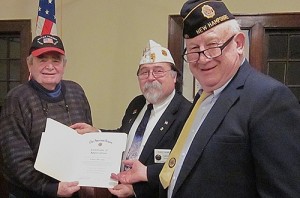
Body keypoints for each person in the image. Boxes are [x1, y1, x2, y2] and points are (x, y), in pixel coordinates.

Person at [111, 1, 300, 198]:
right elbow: (187, 167)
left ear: (238, 44)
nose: (203, 58)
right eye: (193, 50)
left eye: (212, 46)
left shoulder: (268, 99)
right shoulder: (202, 99)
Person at [71, 40, 192, 198]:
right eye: (144, 72)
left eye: (158, 71)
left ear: (174, 77)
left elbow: (183, 167)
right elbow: (125, 136)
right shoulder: (137, 103)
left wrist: (136, 190)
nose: (150, 77)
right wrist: (97, 132)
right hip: (117, 188)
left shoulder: (186, 113)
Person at [0, 34, 93, 197]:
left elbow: (87, 141)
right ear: (30, 65)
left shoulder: (76, 91)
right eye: (42, 60)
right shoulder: (17, 99)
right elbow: (15, 159)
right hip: (30, 193)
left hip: (73, 190)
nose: (49, 66)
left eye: (56, 60)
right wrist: (51, 189)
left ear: (64, 65)